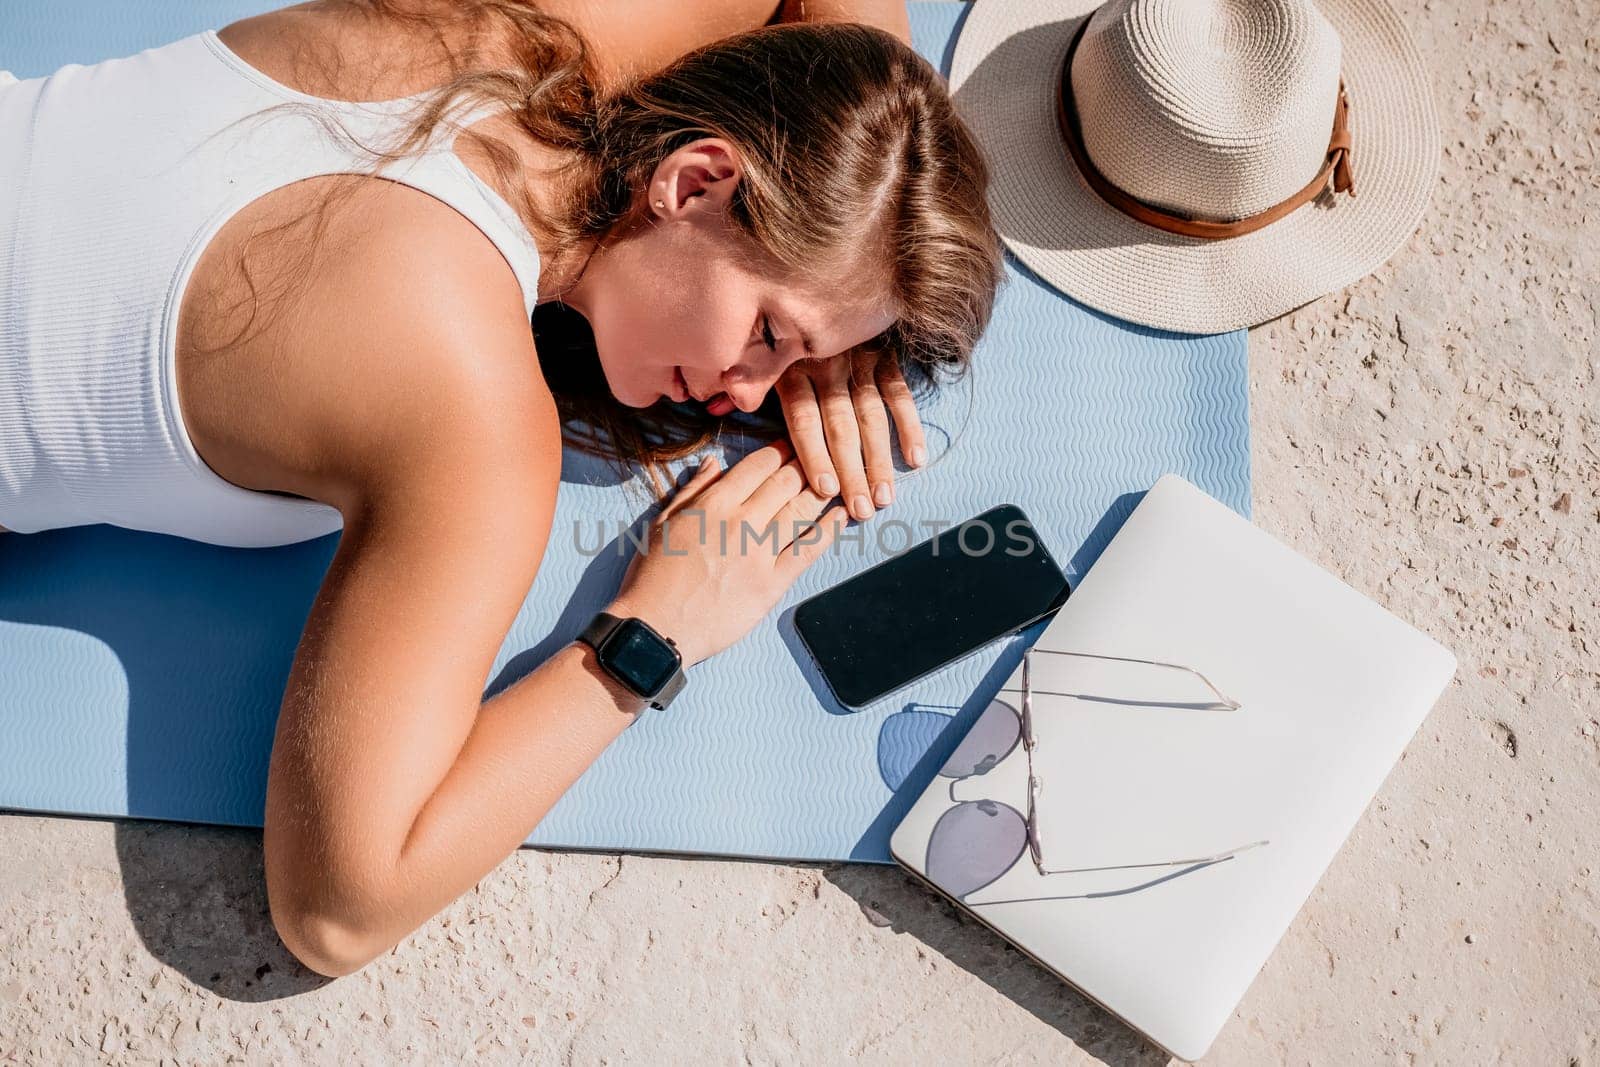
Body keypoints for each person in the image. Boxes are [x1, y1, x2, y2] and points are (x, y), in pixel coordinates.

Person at [0, 0, 1003, 975]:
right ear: (695, 180)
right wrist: (656, 629)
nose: (750, 394)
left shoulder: (518, 29)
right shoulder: (471, 423)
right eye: (770, 334)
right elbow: (337, 910)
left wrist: (854, 233)